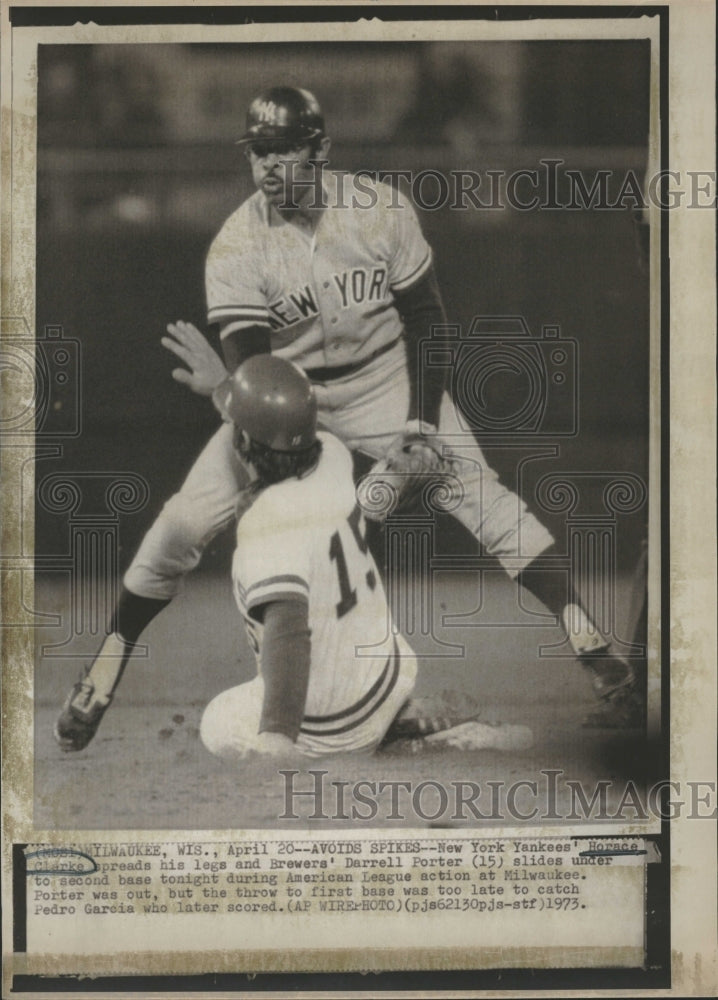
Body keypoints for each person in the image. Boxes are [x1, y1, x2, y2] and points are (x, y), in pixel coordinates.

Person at [54, 86, 641, 753]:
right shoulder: (237, 247)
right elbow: (255, 379)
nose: (269, 168)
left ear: (321, 149)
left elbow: (427, 323)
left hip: (386, 380)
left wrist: (421, 423)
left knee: (485, 498)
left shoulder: (379, 209)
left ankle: (596, 653)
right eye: (258, 154)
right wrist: (228, 395)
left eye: (283, 151)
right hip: (286, 399)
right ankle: (106, 663)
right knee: (183, 521)